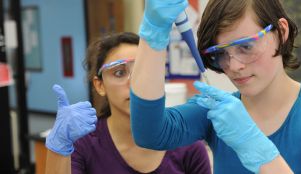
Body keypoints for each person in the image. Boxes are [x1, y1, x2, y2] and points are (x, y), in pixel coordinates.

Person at [129, 0, 301, 174]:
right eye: (221, 54)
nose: (234, 66)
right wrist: (153, 32)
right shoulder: (218, 112)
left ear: (281, 32)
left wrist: (255, 147)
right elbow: (149, 134)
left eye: (246, 47)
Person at [45, 32, 211, 174]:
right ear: (100, 85)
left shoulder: (188, 144)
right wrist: (58, 149)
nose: (134, 83)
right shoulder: (84, 145)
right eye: (119, 72)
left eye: (141, 71)